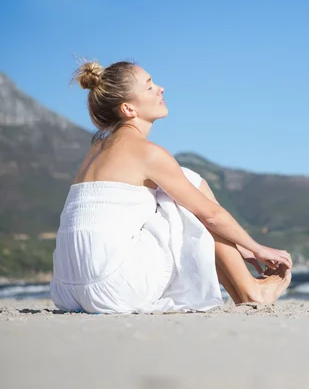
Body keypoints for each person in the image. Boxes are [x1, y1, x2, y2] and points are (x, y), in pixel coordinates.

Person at [49, 59, 292, 314]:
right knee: (190, 183)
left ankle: (244, 289)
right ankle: (251, 291)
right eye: (149, 86)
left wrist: (239, 245)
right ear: (129, 109)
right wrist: (256, 247)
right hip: (115, 289)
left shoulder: (95, 152)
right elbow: (210, 215)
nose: (161, 88)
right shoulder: (147, 153)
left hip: (67, 291)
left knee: (178, 189)